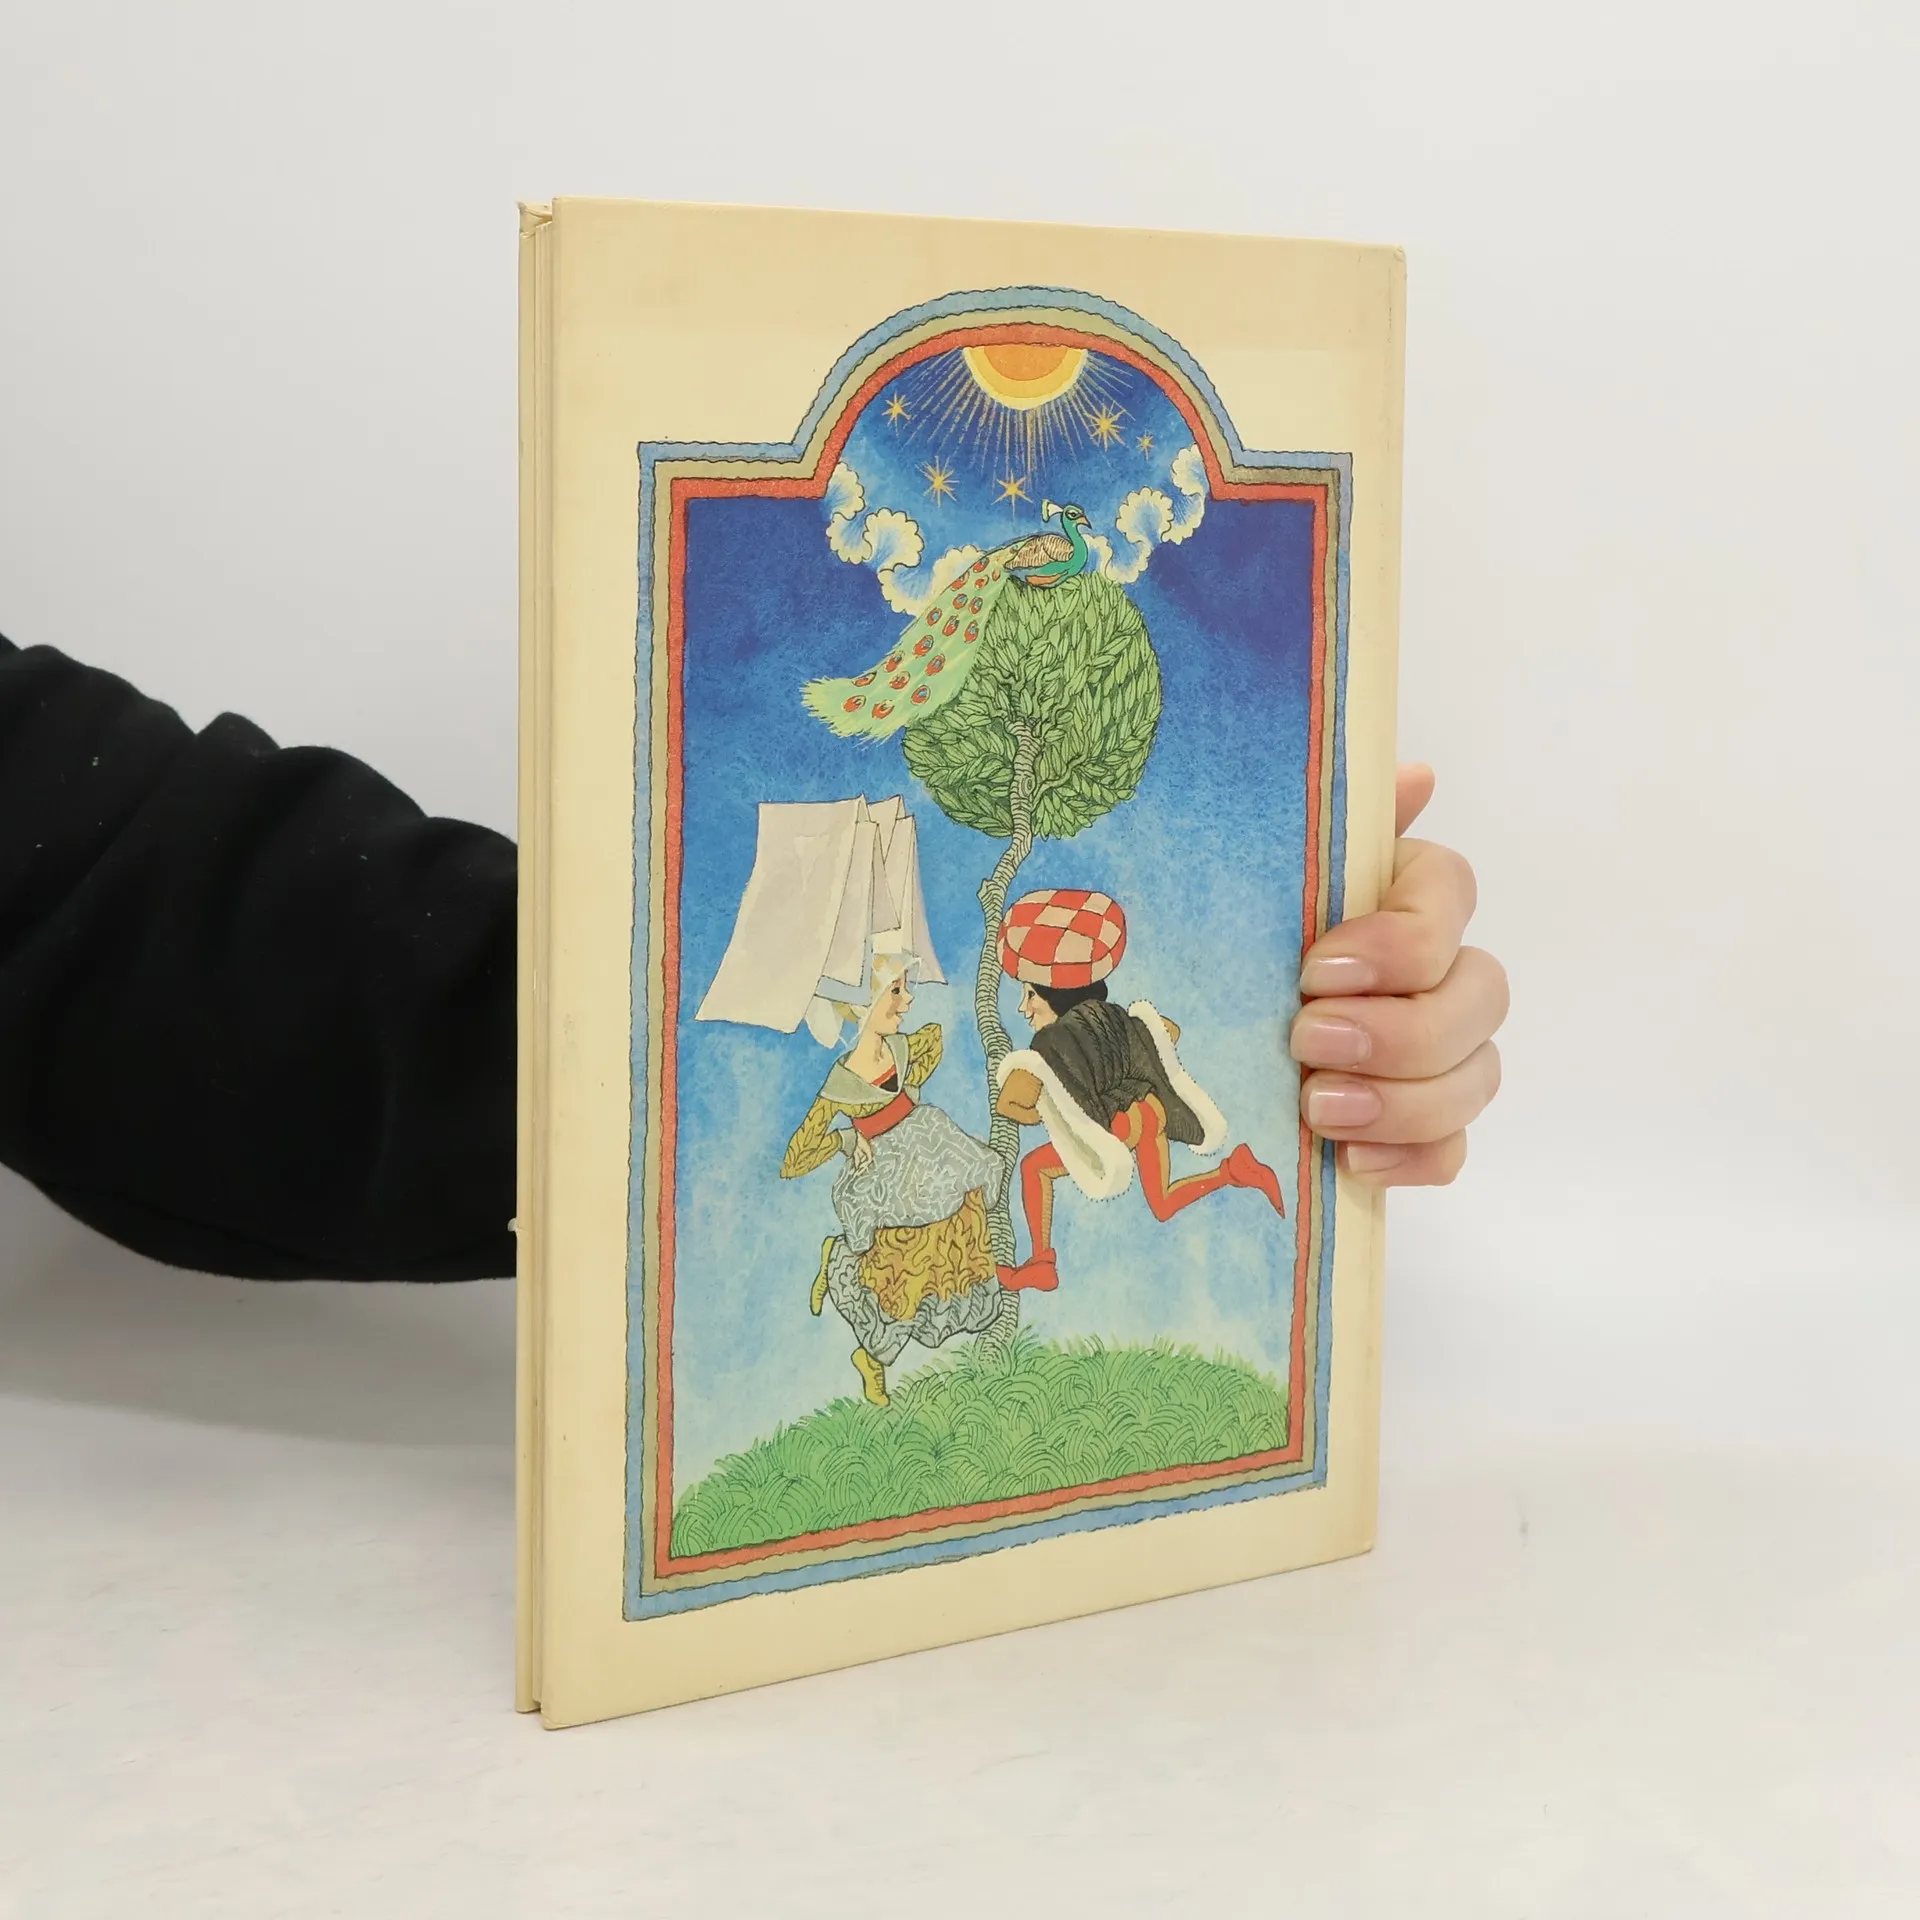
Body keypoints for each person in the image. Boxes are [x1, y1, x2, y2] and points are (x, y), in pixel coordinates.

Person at [0, 630, 1506, 1283]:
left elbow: (139, 910)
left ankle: (1190, 1192)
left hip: (1028, 1116)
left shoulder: (1076, 1026)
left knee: (1112, 1179)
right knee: (1058, 1183)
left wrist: (1263, 960)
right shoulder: (1016, 1033)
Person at [990, 888, 1287, 1293]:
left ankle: (1042, 1261)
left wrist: (1047, 1105)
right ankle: (1233, 1171)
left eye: (1030, 994)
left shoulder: (1048, 1043)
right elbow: (1168, 1032)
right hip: (1151, 1110)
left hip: (1117, 1124)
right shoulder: (1116, 1016)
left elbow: (1013, 1106)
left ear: (1055, 995)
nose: (1024, 1008)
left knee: (1033, 1167)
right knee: (1162, 1204)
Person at [778, 951, 1007, 1408]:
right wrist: (846, 1140)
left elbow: (933, 1040)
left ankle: (876, 1349)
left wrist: (910, 1089)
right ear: (861, 1005)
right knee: (898, 1276)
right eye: (895, 991)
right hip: (886, 1175)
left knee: (955, 1234)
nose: (907, 1001)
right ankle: (870, 1352)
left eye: (905, 989)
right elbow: (794, 1159)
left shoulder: (901, 1047)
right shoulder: (841, 1083)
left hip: (928, 1147)